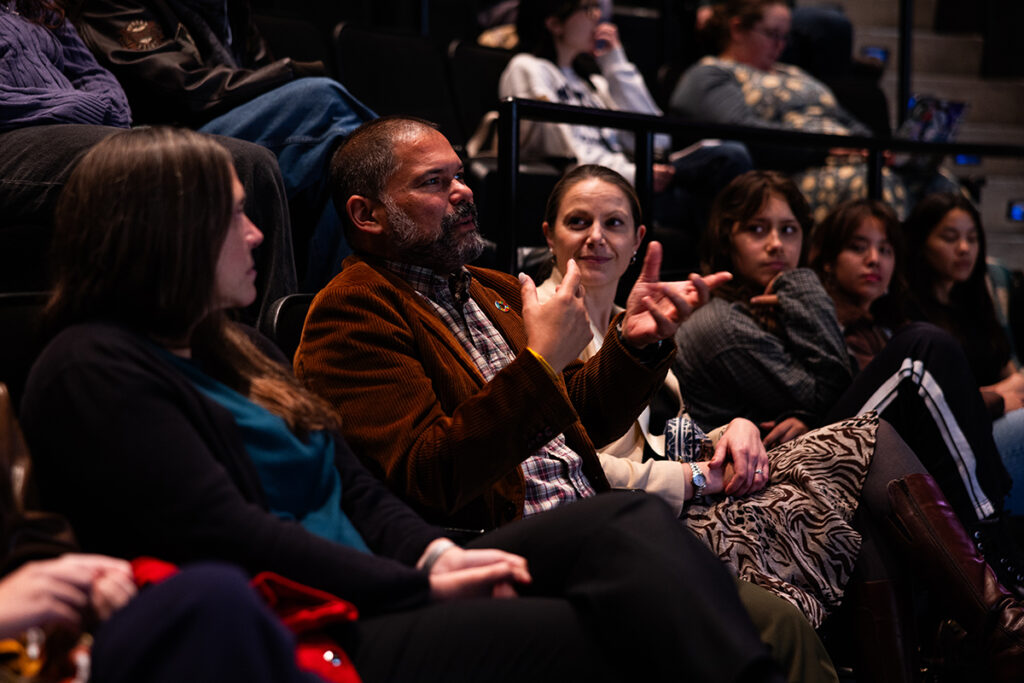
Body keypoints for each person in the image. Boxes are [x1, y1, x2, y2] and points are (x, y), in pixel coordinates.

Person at [19, 125, 805, 683]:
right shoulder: (98, 365)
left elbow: (353, 484)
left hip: (419, 562)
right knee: (613, 628)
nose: (259, 235)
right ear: (164, 234)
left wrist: (631, 345)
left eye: (460, 174)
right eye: (232, 215)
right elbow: (229, 529)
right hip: (322, 607)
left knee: (627, 524)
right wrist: (421, 575)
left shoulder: (238, 350)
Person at [293, 116, 849, 683]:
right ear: (367, 214)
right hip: (495, 544)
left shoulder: (494, 289)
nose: (462, 193)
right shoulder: (354, 311)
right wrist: (540, 363)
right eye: (434, 183)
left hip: (593, 530)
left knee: (782, 624)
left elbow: (574, 419)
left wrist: (635, 347)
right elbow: (429, 474)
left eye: (460, 176)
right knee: (632, 525)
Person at [673, 172, 1023, 588]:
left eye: (788, 230)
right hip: (765, 484)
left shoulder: (772, 306)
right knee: (922, 352)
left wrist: (805, 408)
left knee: (926, 352)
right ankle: (990, 545)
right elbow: (833, 384)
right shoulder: (722, 324)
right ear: (726, 238)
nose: (775, 244)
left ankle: (989, 544)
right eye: (756, 229)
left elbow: (822, 392)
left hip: (809, 452)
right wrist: (803, 287)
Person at [0, 0, 295, 324]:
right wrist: (80, 105)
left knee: (250, 162)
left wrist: (99, 106)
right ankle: (228, 357)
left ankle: (270, 352)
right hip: (13, 136)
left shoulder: (34, 4)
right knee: (185, 169)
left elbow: (94, 75)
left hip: (82, 126)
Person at [72, 0, 376, 289]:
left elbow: (264, 80)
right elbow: (183, 89)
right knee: (324, 102)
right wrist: (288, 70)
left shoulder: (229, 6)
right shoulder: (115, 4)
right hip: (171, 134)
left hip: (229, 122)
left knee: (343, 169)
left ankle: (341, 309)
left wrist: (283, 76)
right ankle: (400, 165)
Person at [497, 0, 752, 247]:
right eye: (587, 8)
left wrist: (615, 63)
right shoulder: (528, 68)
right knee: (727, 162)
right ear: (555, 23)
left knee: (724, 166)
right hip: (595, 187)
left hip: (628, 179)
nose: (597, 16)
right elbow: (566, 152)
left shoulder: (594, 83)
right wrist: (636, 174)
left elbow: (657, 140)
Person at [668, 0, 918, 223]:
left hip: (850, 159)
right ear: (737, 30)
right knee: (873, 185)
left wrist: (872, 148)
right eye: (772, 34)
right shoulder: (712, 72)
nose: (780, 46)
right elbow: (740, 129)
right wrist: (826, 148)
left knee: (936, 181)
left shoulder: (795, 72)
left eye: (785, 37)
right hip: (793, 172)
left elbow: (844, 120)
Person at [902, 193, 1024, 515]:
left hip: (994, 415)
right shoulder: (908, 311)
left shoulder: (974, 300)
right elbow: (924, 407)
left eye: (972, 238)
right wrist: (999, 394)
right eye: (950, 237)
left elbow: (1007, 367)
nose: (964, 249)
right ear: (921, 242)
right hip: (956, 435)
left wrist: (1016, 385)